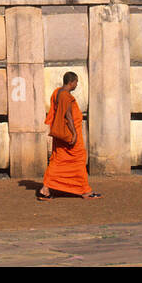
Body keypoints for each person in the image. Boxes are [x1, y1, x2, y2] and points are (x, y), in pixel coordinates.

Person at [38, 72, 102, 201]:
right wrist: (74, 134)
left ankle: (46, 188)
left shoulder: (57, 92)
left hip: (61, 136)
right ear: (71, 82)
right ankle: (84, 191)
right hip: (68, 136)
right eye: (76, 82)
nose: (77, 85)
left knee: (57, 160)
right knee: (78, 159)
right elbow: (68, 116)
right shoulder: (65, 96)